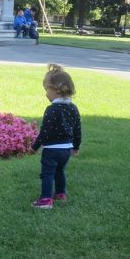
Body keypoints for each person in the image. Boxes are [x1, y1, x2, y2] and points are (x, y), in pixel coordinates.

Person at [30, 64, 82, 209]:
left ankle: (46, 200)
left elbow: (45, 131)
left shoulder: (52, 109)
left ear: (56, 90)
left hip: (52, 150)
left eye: (47, 90)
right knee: (60, 171)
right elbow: (77, 129)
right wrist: (76, 147)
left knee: (47, 173)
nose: (46, 94)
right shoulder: (73, 108)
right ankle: (60, 194)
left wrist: (34, 146)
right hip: (66, 150)